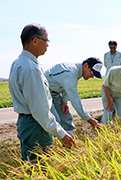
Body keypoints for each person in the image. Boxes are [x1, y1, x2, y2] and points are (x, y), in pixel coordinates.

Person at [8, 24, 75, 161]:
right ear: (35, 41)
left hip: (26, 123)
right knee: (41, 168)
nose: (48, 45)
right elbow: (40, 110)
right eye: (46, 40)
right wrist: (62, 134)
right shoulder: (31, 69)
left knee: (30, 166)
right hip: (36, 126)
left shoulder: (19, 63)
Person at [45, 57, 103, 136]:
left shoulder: (76, 72)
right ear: (86, 65)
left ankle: (69, 141)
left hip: (55, 93)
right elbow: (75, 101)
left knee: (66, 117)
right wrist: (90, 120)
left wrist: (64, 101)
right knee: (54, 120)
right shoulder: (71, 73)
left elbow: (65, 86)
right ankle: (53, 144)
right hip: (44, 91)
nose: (92, 76)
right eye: (92, 72)